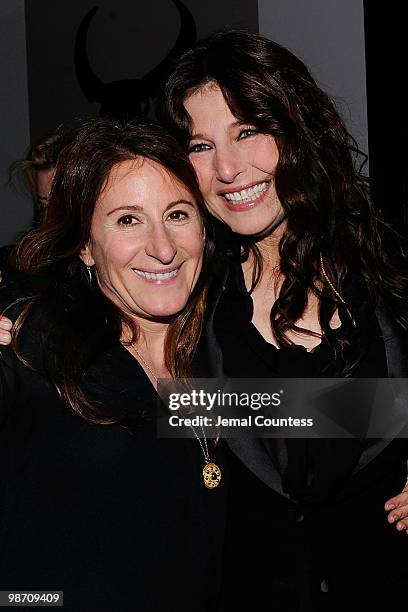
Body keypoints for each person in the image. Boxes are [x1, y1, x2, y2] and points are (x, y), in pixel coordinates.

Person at [159, 28, 408, 610]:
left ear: (297, 128)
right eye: (199, 146)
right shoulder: (182, 293)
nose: (227, 168)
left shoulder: (386, 272)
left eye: (247, 131)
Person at [0, 117, 227, 612]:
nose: (162, 248)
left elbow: (341, 415)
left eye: (178, 214)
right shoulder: (36, 349)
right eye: (128, 220)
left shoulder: (222, 348)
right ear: (85, 245)